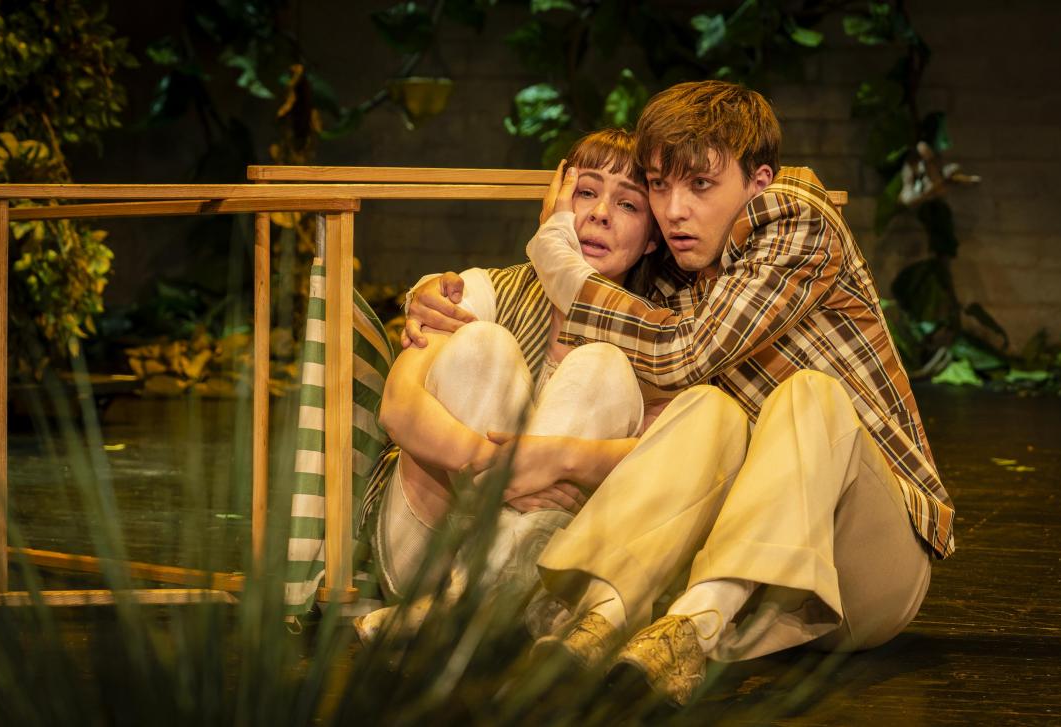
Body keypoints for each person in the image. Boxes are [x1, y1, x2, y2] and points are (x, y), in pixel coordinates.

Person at [408, 80, 955, 706]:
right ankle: (603, 617)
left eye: (700, 185)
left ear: (757, 182)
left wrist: (557, 253)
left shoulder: (794, 220)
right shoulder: (671, 276)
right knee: (707, 408)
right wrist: (434, 293)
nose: (674, 211)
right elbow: (639, 386)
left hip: (866, 567)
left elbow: (684, 353)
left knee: (809, 394)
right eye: (660, 186)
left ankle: (694, 625)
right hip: (756, 595)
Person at [354, 129, 667, 642]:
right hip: (428, 554)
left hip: (550, 582)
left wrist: (561, 458)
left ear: (652, 235)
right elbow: (398, 406)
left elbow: (664, 457)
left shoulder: (658, 331)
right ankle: (465, 595)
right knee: (485, 344)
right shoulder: (485, 289)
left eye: (628, 204)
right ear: (554, 201)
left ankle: (464, 604)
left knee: (603, 364)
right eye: (586, 192)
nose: (600, 214)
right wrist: (501, 467)